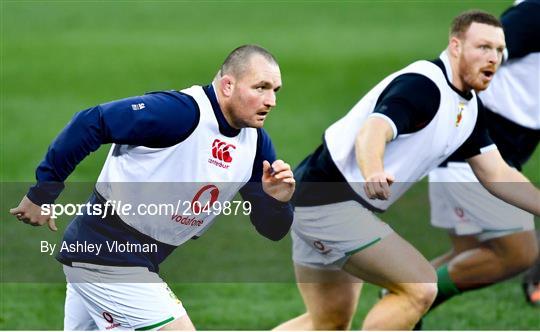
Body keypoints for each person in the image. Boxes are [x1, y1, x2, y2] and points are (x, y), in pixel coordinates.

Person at [274, 10, 540, 331]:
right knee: (420, 288)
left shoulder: (468, 108)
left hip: (320, 201)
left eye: (499, 51)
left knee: (327, 322)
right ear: (455, 46)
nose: (493, 59)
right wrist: (373, 170)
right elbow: (374, 129)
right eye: (483, 47)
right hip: (329, 202)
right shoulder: (425, 86)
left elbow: (497, 173)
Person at [9, 45, 295, 330]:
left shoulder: (255, 144)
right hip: (107, 256)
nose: (271, 100)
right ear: (228, 85)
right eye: (261, 87)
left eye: (275, 90)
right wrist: (41, 194)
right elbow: (91, 122)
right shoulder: (180, 113)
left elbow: (273, 229)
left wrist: (278, 201)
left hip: (128, 260)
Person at [421, 0, 540, 321]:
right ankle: (407, 298)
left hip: (497, 155)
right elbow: (471, 58)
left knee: (468, 255)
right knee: (520, 252)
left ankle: (406, 298)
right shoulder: (534, 13)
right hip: (476, 153)